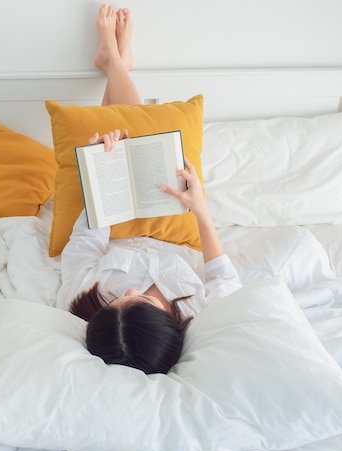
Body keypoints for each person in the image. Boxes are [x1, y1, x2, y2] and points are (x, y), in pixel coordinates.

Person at [58, 4, 242, 374]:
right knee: (140, 138)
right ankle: (114, 62)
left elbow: (86, 244)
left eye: (116, 303)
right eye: (140, 300)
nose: (126, 292)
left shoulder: (82, 302)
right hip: (171, 214)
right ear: (169, 325)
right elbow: (224, 275)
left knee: (115, 146)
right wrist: (201, 209)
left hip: (118, 217)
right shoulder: (199, 312)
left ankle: (114, 61)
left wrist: (104, 175)